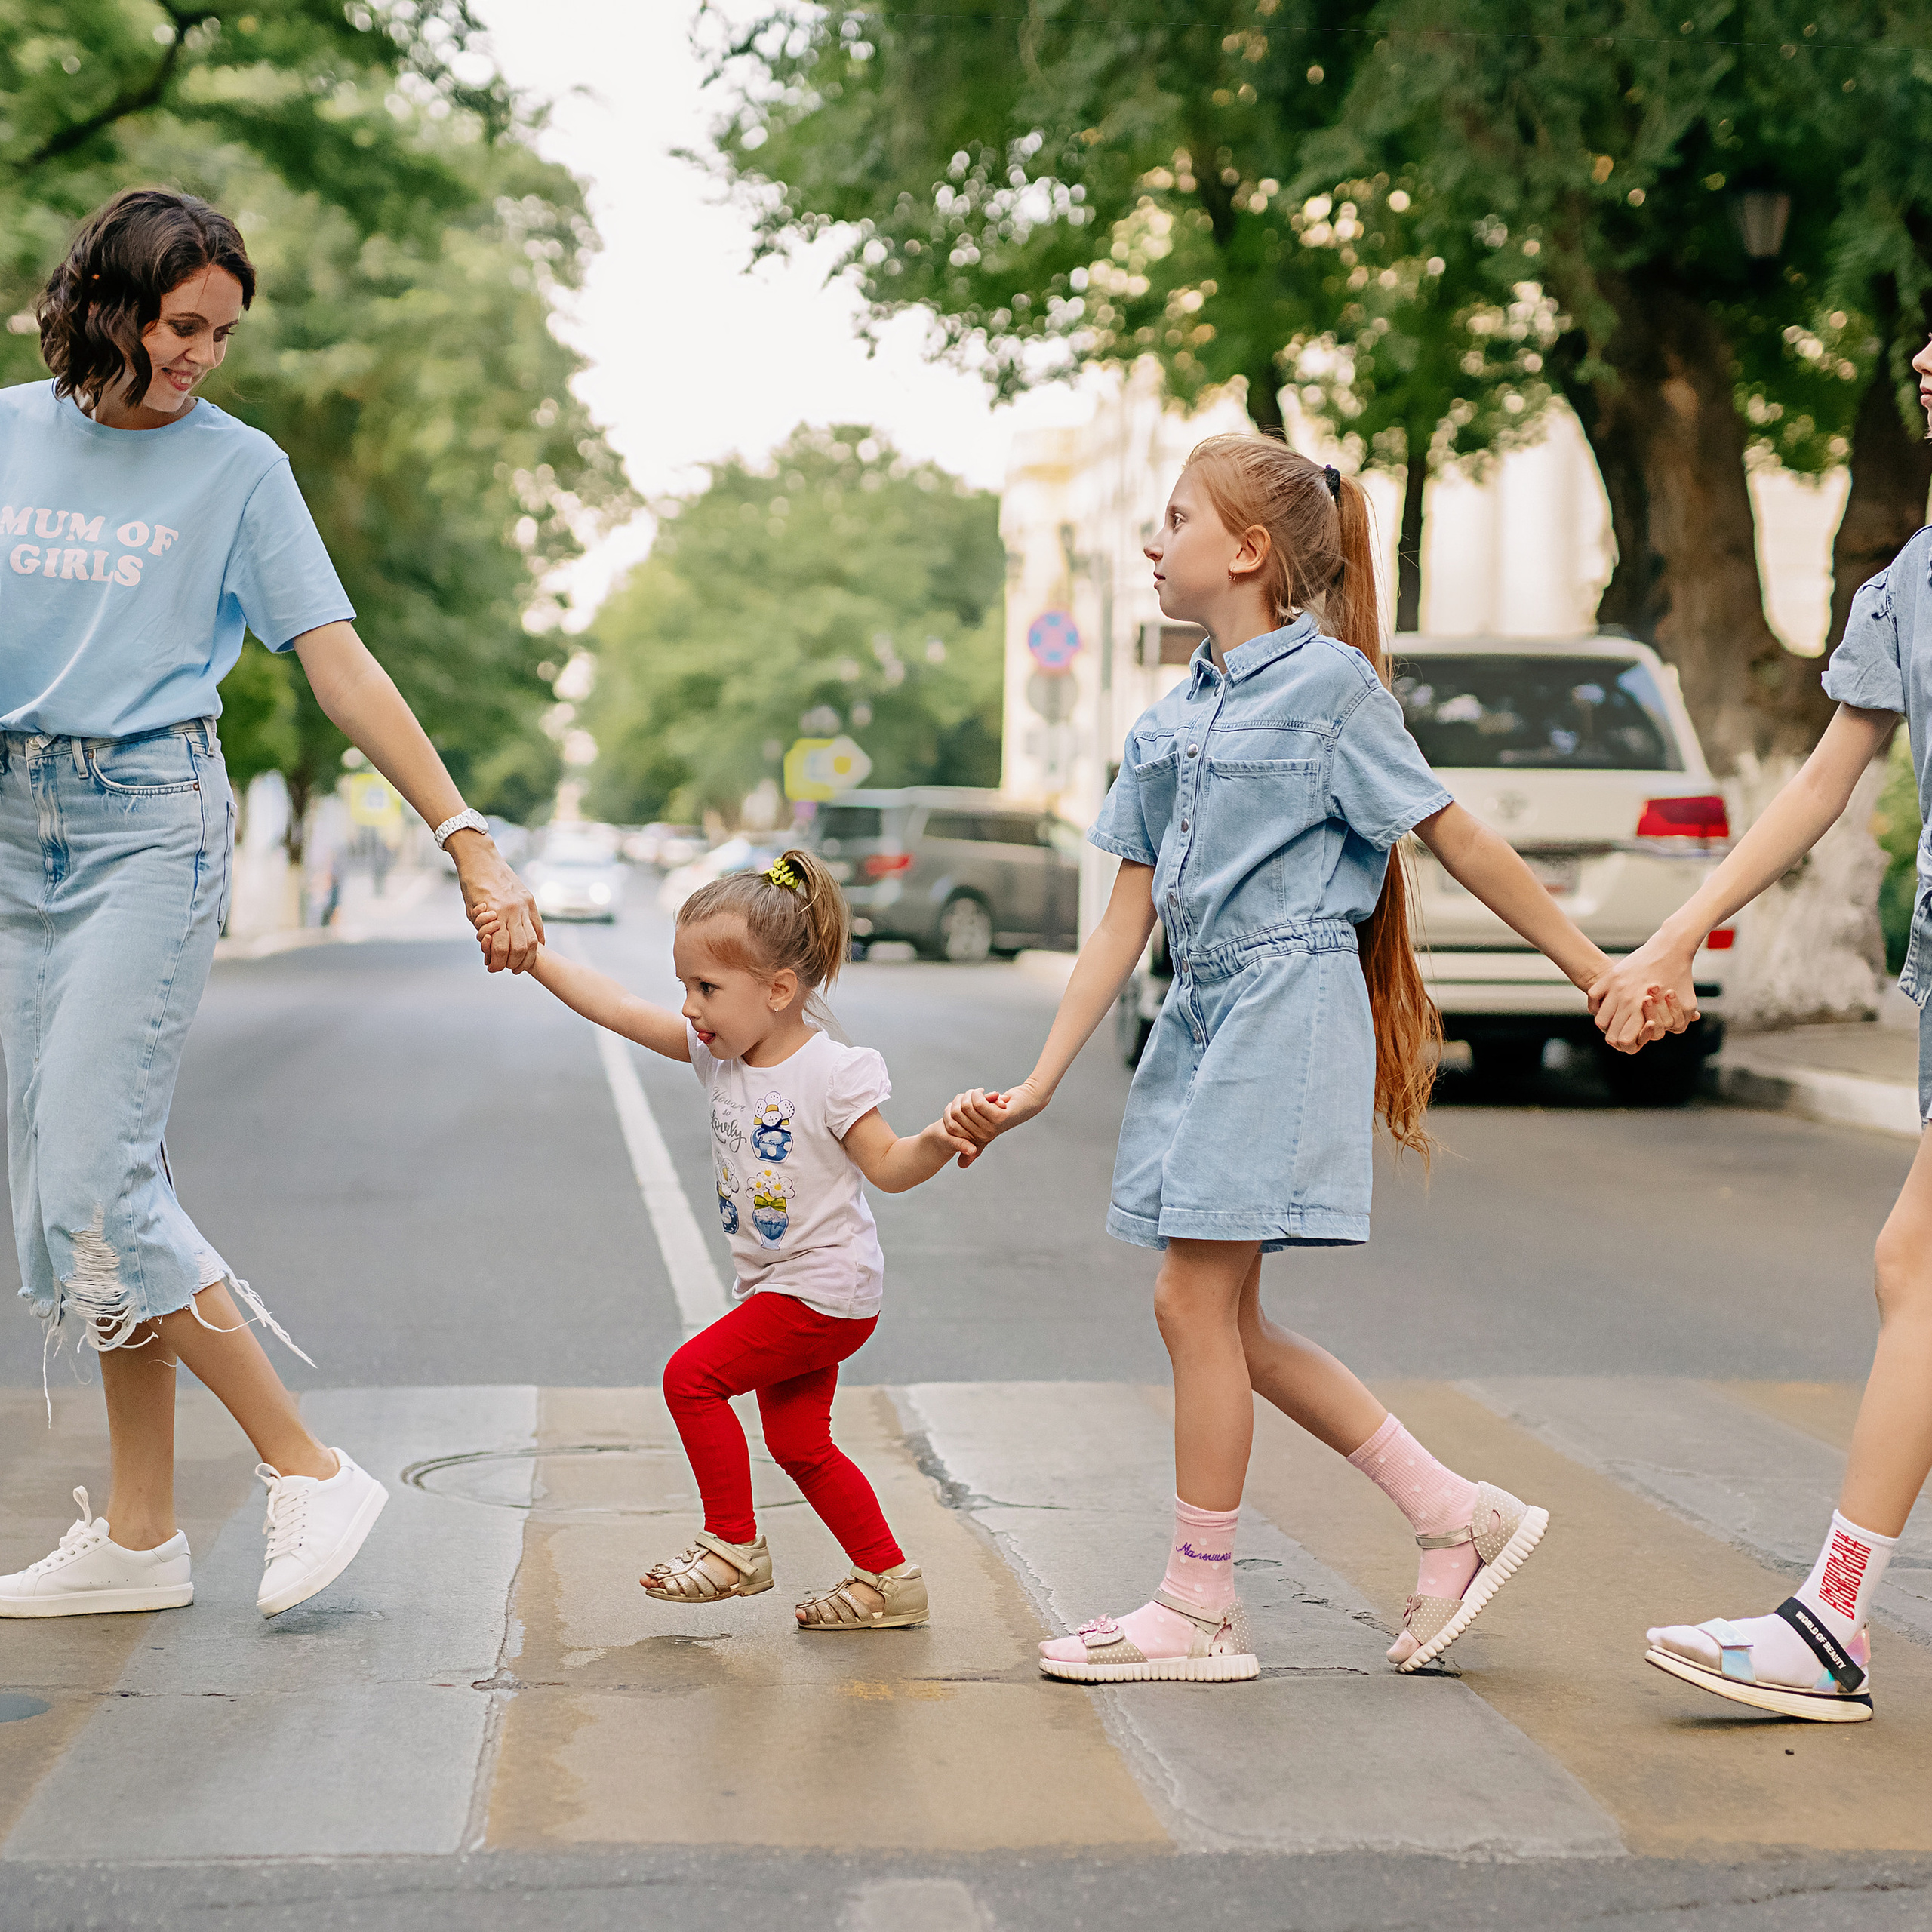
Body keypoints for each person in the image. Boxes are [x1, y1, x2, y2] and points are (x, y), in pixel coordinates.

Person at [944, 433, 1622, 1683]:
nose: (1151, 540)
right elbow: (1121, 922)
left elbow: (1457, 841)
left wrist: (1594, 969)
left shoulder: (1334, 697)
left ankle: (1200, 1609)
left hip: (1285, 1010)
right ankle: (1450, 1515)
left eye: (1174, 517)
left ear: (1247, 552)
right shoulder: (1166, 724)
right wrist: (1039, 1084)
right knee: (1231, 1323)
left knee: (1189, 1301)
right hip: (1199, 1021)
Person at [0, 189, 541, 1622]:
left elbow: (340, 665)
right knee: (72, 1195)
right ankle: (139, 1536)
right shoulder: (6, 432)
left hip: (145, 829)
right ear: (106, 304)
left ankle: (306, 1465)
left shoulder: (239, 472)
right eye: (184, 327)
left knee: (94, 1181)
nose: (203, 358)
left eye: (222, 335)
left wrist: (465, 835)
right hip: (10, 833)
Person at [1601, 336, 1932, 1722]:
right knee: (1912, 1267)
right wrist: (1681, 929)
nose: (1922, 354)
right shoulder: (1910, 582)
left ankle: (1832, 1619)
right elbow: (1817, 786)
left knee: (1919, 1263)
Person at [485, 850, 973, 1628]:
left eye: (706, 988)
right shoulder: (717, 1057)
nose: (688, 1006)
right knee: (798, 1440)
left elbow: (887, 1165)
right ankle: (888, 1579)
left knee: (692, 1378)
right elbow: (613, 1003)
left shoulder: (832, 1072)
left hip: (824, 1288)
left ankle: (732, 1546)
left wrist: (942, 1138)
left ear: (778, 990)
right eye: (684, 986)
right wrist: (533, 954)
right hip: (786, 1286)